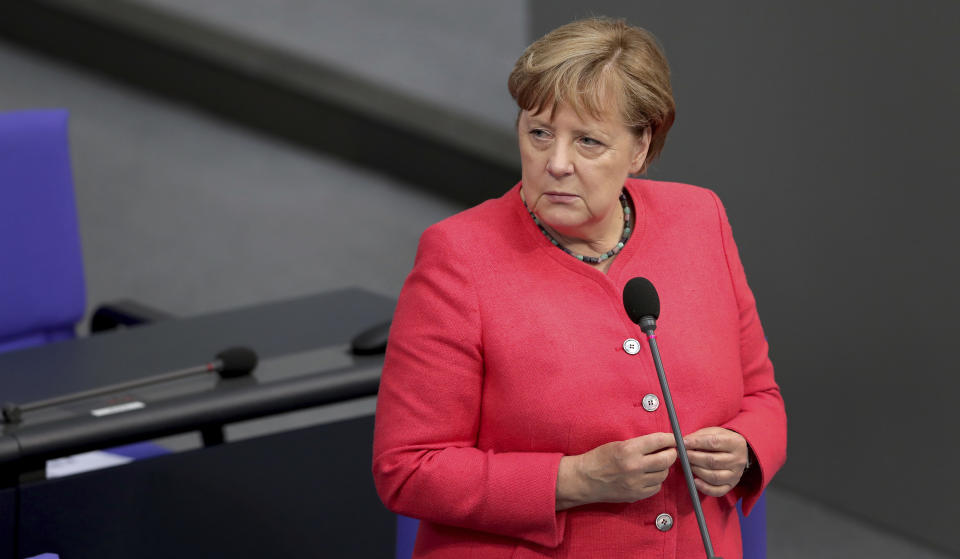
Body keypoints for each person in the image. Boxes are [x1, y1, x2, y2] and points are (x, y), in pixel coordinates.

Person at [372, 16, 786, 558]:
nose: (556, 163)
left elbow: (762, 397)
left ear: (642, 146)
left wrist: (744, 451)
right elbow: (408, 468)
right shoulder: (460, 259)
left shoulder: (699, 219)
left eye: (588, 142)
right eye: (539, 133)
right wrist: (573, 480)